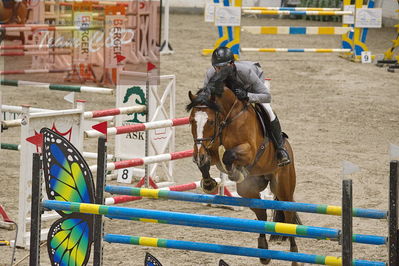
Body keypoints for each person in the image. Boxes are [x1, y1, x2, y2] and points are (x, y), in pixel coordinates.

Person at [203, 46, 290, 167]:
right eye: (217, 67)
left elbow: (266, 96)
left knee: (267, 110)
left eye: (223, 67)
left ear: (232, 64)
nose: (220, 71)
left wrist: (247, 96)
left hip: (253, 88)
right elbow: (207, 98)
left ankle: (280, 149)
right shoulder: (211, 74)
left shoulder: (246, 72)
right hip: (233, 94)